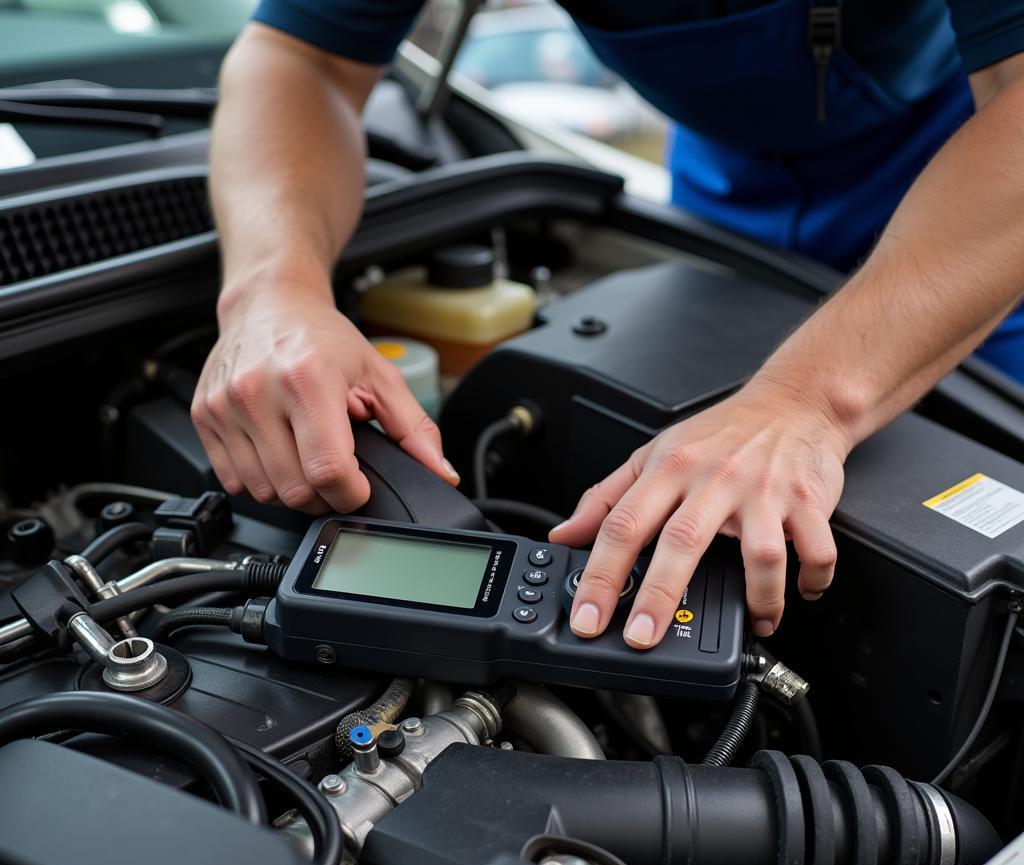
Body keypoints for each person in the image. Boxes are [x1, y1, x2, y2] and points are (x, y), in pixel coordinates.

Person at [192, 1, 1024, 653]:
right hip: (728, 207)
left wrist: (808, 399)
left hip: (973, 215)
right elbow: (302, 58)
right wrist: (272, 290)